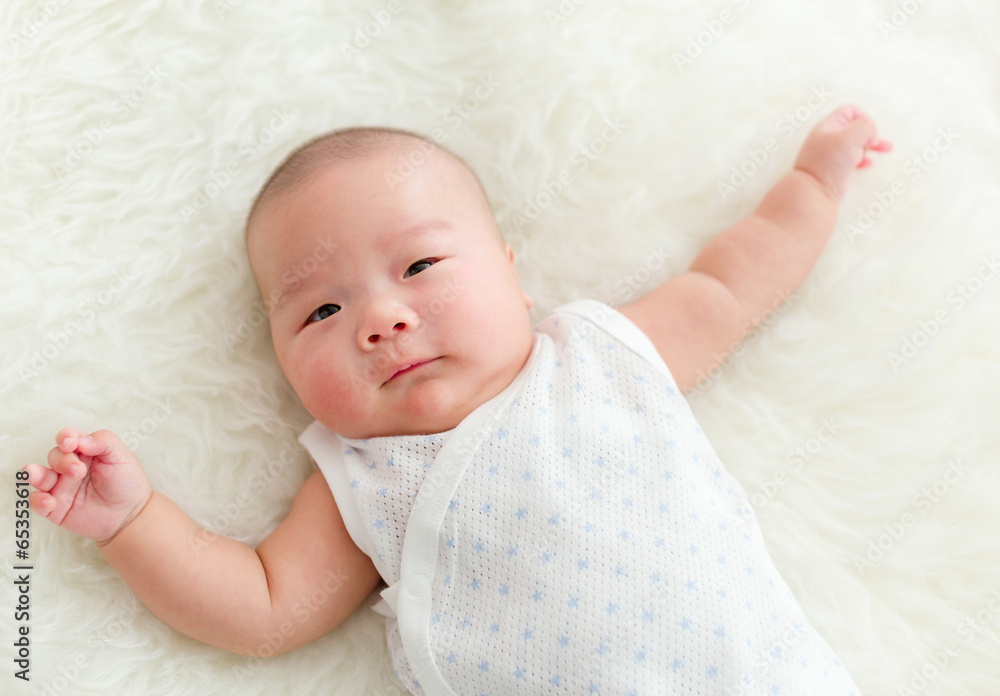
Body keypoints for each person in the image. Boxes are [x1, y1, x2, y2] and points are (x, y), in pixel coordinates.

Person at [23, 104, 891, 695]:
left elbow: (732, 284)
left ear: (512, 276)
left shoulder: (597, 358)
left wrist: (814, 183)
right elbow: (263, 607)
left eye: (420, 267)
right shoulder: (361, 476)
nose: (381, 319)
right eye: (321, 310)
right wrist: (134, 524)